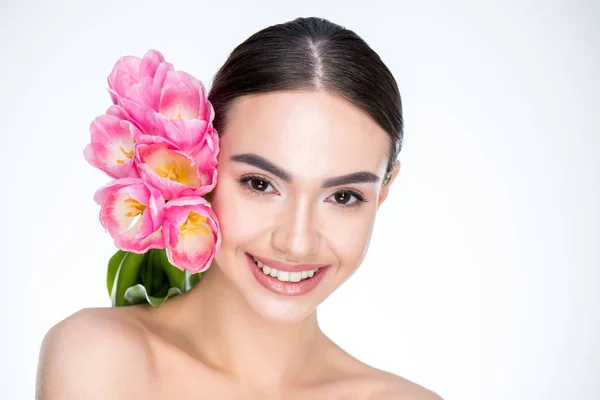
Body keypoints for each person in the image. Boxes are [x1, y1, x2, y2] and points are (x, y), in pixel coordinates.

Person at [36, 17, 442, 399]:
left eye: (343, 196)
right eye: (260, 184)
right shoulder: (99, 360)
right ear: (201, 166)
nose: (296, 243)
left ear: (384, 191)